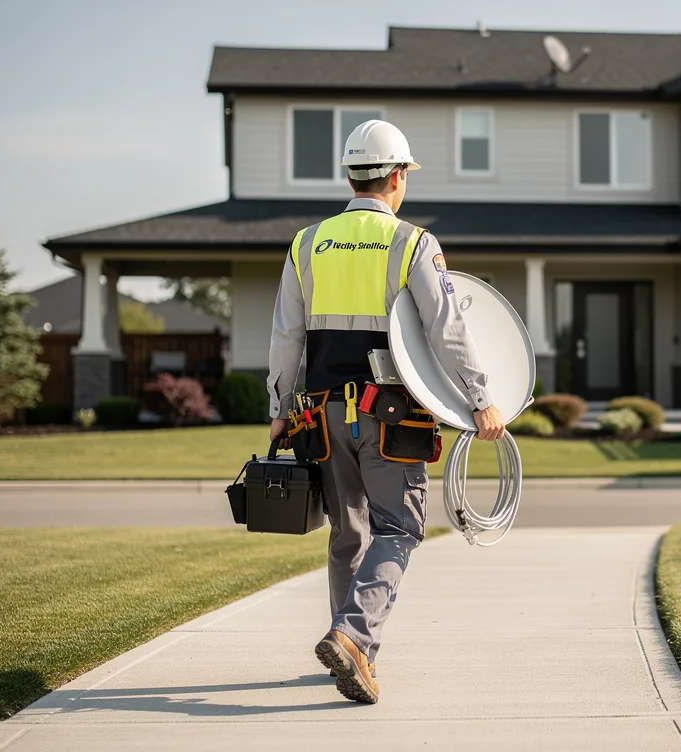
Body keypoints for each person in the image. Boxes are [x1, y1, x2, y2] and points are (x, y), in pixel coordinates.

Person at [267, 119, 505, 704]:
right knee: (398, 527)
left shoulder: (307, 243)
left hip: (322, 416)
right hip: (389, 416)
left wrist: (277, 408)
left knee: (348, 533)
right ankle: (352, 638)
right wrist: (481, 398)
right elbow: (447, 330)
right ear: (397, 176)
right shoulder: (413, 243)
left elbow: (285, 337)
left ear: (350, 175)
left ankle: (354, 654)